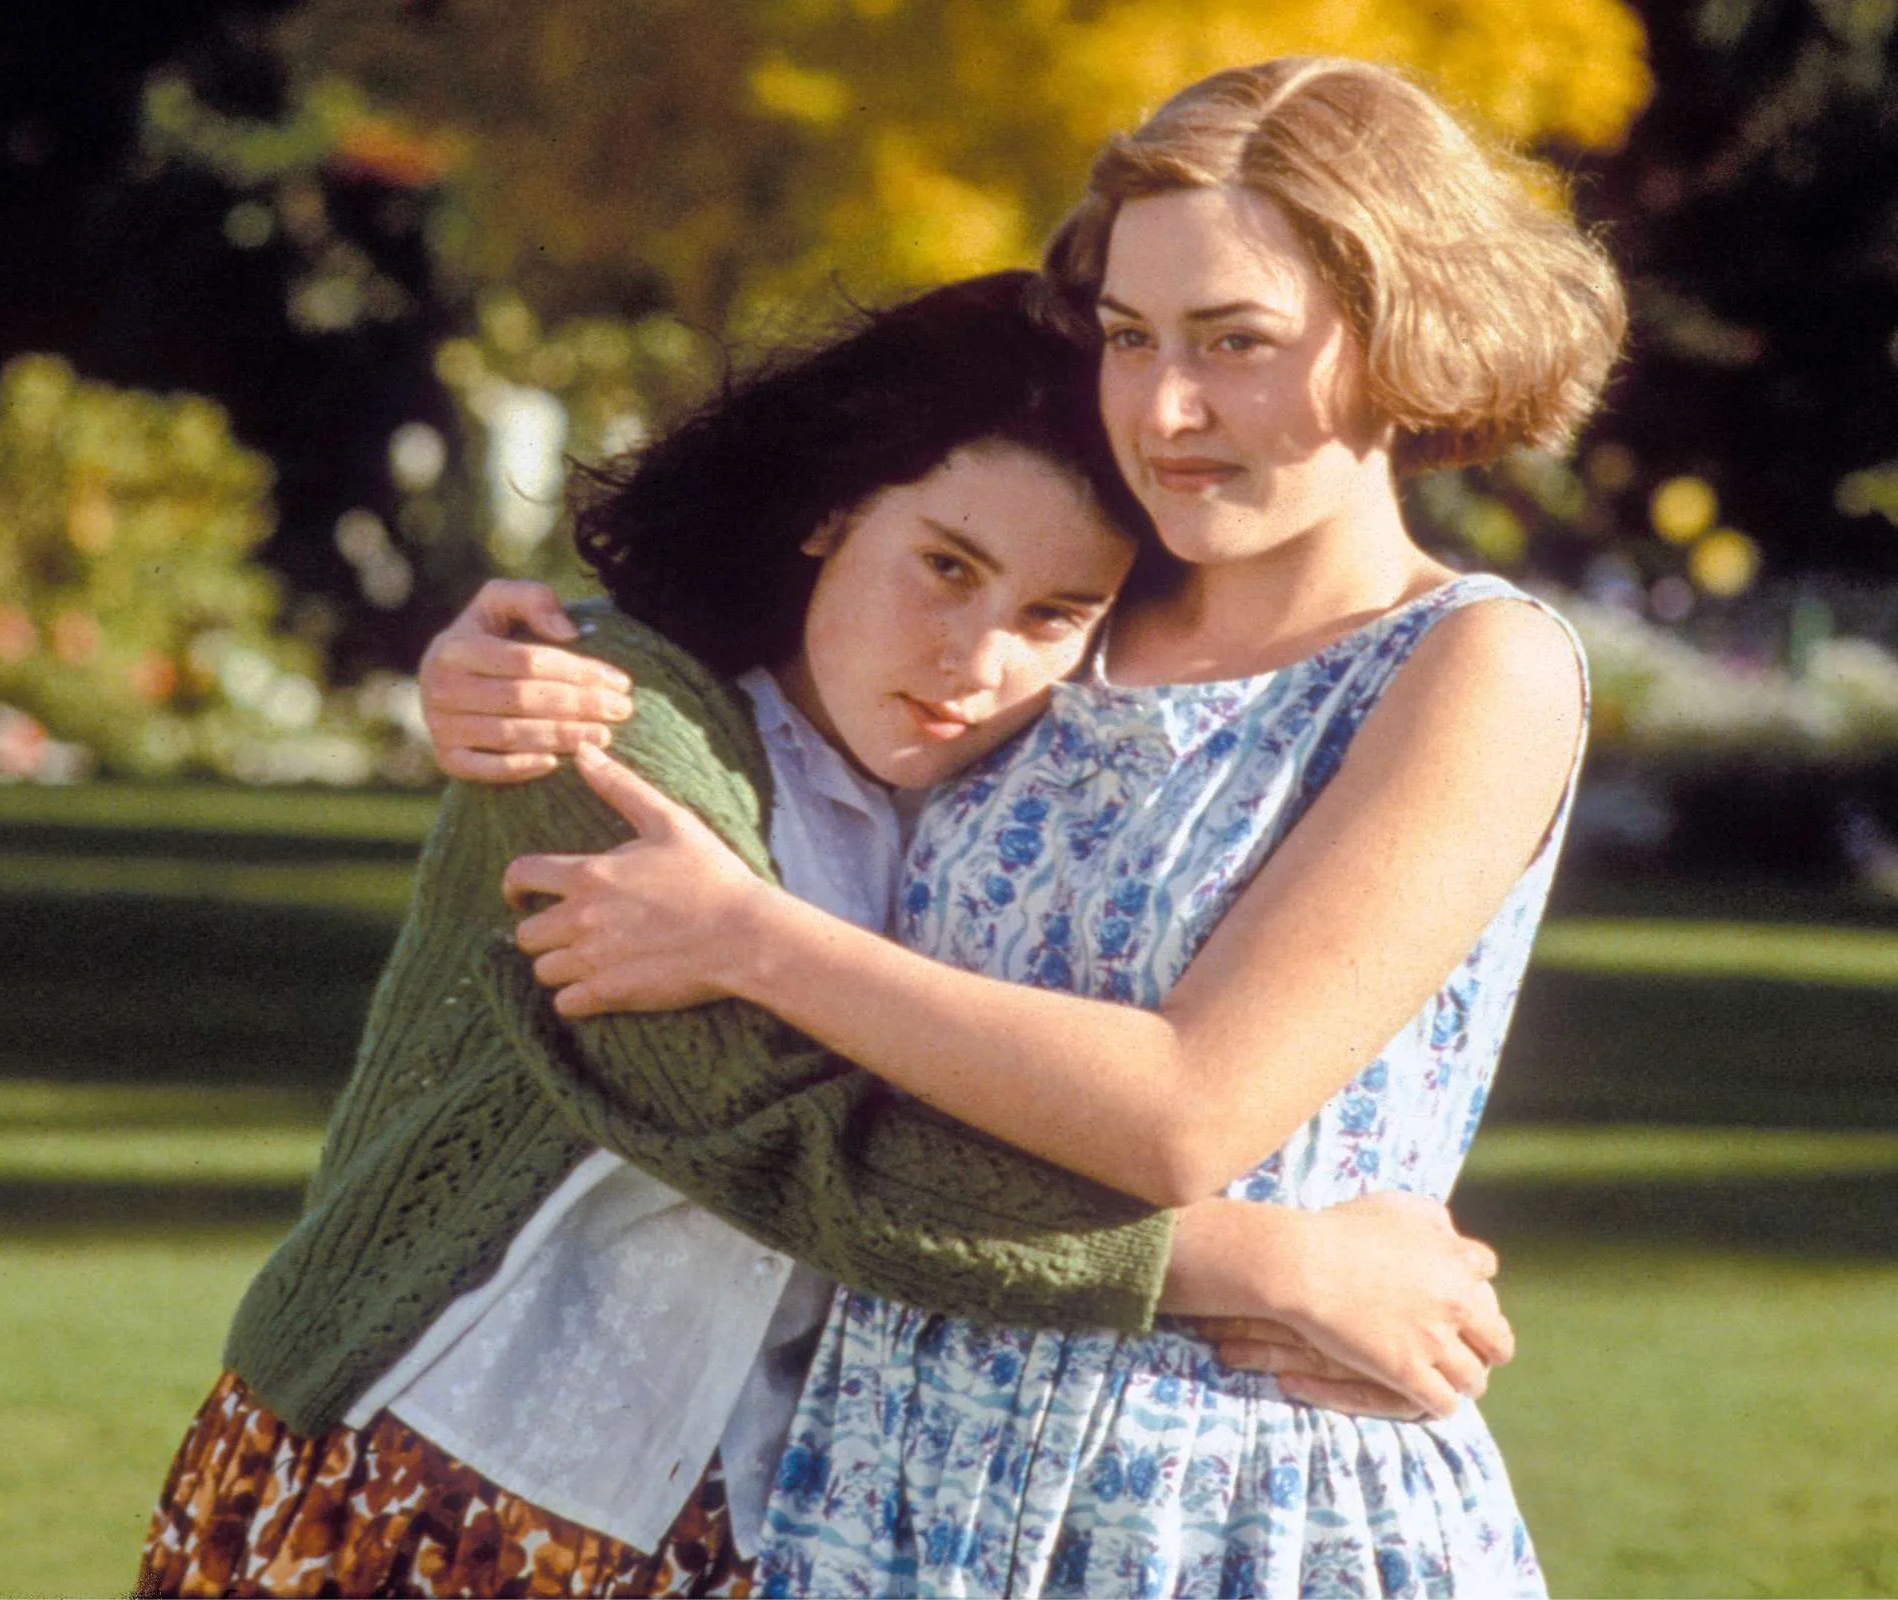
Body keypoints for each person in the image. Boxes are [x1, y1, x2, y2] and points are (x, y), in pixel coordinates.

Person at [136, 270, 1509, 1600]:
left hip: (756, 1533)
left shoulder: (1011, 808)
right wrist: (1262, 1266)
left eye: (1052, 613)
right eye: (946, 566)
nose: (977, 660)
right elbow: (776, 1136)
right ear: (832, 512)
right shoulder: (601, 721)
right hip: (427, 1465)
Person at [444, 57, 1624, 1596]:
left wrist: (749, 941)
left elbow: (1186, 1114)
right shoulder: (1067, 609)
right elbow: (774, 669)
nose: (1165, 408)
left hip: (1224, 1506)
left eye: (1236, 342)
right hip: (875, 1482)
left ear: (1407, 332)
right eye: (1131, 339)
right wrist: (492, 660)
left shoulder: (1474, 665)